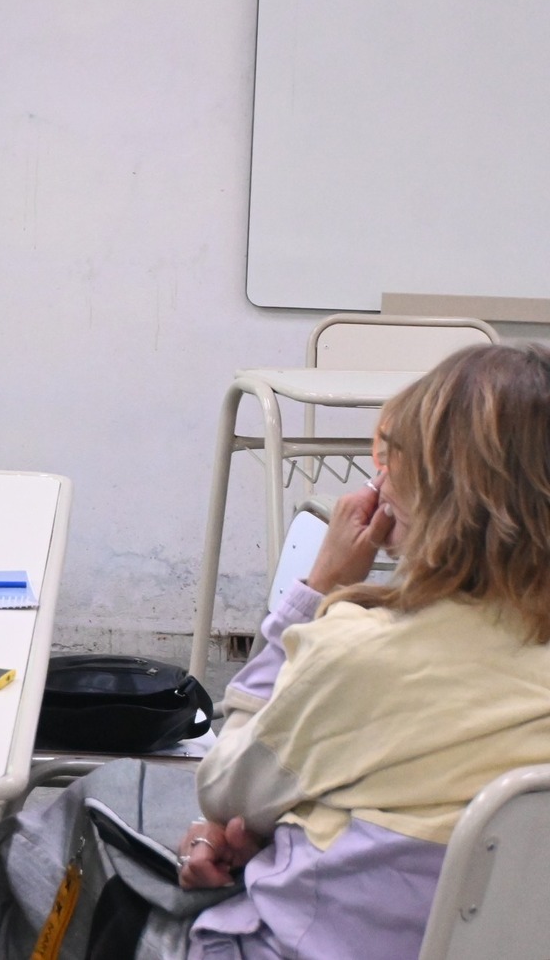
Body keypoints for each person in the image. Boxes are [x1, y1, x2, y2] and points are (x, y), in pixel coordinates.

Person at [175, 342, 550, 960]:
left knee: (76, 823)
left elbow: (224, 786)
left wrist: (317, 588)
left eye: (391, 456)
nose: (378, 478)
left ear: (440, 492)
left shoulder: (360, 653)